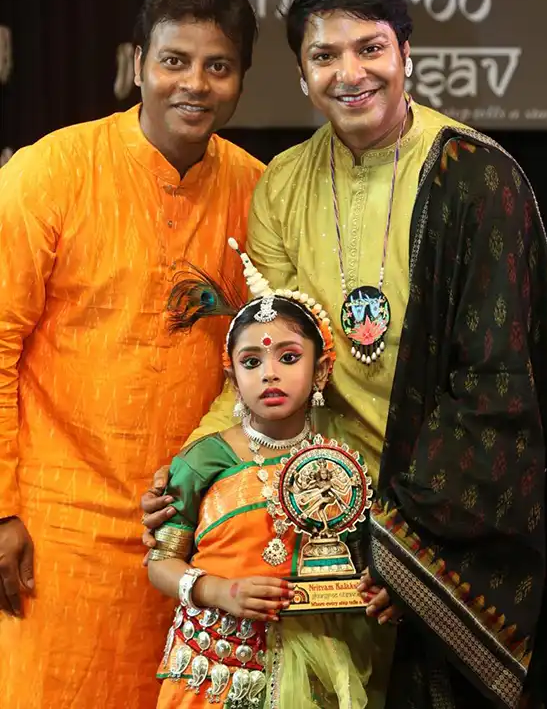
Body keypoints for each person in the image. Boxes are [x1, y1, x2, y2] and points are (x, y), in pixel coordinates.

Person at [142, 0, 547, 707]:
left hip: (445, 532)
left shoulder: (478, 179)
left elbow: (495, 391)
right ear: (302, 76)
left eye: (371, 48)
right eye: (325, 56)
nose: (350, 73)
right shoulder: (284, 184)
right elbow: (262, 357)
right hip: (322, 519)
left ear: (406, 54)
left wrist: (407, 549)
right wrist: (192, 470)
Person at [0, 0, 265, 708]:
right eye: (175, 60)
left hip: (195, 534)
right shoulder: (52, 172)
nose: (195, 84)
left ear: (242, 79)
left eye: (218, 66)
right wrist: (2, 509)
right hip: (57, 529)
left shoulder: (256, 193)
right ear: (139, 63)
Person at [147, 240, 396, 708]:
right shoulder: (204, 459)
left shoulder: (337, 461)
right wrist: (219, 590)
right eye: (251, 362)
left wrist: (379, 589)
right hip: (219, 667)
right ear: (233, 377)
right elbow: (160, 563)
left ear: (321, 370)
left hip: (318, 666)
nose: (269, 374)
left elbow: (360, 560)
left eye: (288, 357)